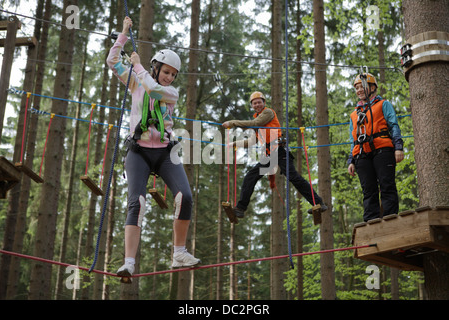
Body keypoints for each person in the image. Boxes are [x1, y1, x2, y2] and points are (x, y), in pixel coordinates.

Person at [107, 16, 200, 278]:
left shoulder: (170, 92)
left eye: (173, 74)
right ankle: (129, 262)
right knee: (136, 202)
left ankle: (179, 253)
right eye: (166, 71)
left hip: (164, 152)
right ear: (156, 67)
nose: (169, 77)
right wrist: (123, 34)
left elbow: (153, 88)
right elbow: (112, 62)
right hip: (138, 152)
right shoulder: (135, 81)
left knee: (185, 196)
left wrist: (137, 66)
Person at [222, 91, 327, 221]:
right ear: (252, 106)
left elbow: (255, 123)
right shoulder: (258, 121)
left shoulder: (268, 113)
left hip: (280, 151)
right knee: (251, 176)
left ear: (264, 103)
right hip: (270, 155)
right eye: (254, 103)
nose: (257, 105)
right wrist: (234, 143)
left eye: (259, 102)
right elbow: (252, 141)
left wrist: (233, 123)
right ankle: (240, 208)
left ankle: (318, 202)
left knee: (294, 177)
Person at [347, 73, 404, 222]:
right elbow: (353, 140)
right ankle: (371, 223)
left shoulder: (383, 104)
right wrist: (351, 161)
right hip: (361, 155)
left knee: (387, 186)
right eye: (357, 88)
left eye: (362, 87)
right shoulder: (354, 115)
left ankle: (390, 220)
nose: (359, 90)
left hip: (383, 150)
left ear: (372, 87)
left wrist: (398, 147)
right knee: (368, 191)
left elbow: (393, 126)